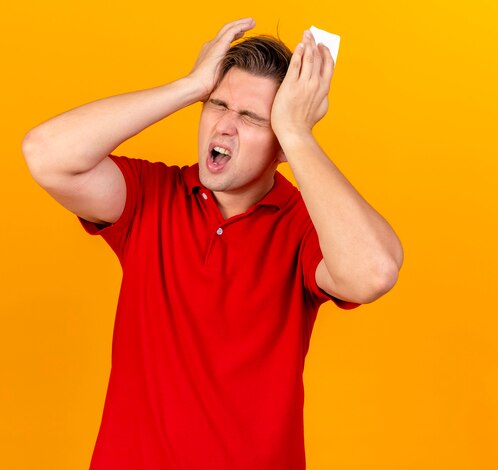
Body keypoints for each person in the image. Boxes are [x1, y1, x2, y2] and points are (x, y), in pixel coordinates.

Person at [22, 17, 403, 470]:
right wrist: (189, 85)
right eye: (216, 104)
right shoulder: (150, 195)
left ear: (281, 141)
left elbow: (373, 273)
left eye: (250, 117)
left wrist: (298, 134)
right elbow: (46, 154)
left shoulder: (306, 226)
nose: (223, 125)